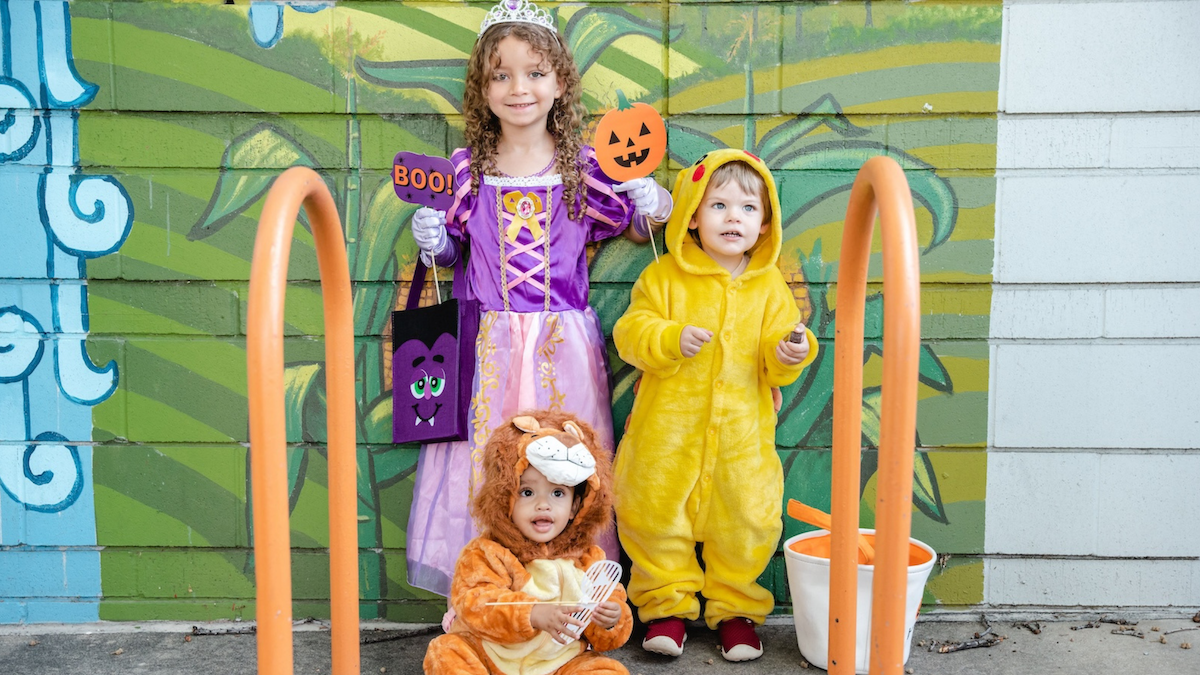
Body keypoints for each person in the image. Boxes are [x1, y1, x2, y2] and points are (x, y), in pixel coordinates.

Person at [405, 0, 672, 598]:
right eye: (500, 74)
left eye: (534, 73)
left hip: (562, 348)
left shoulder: (584, 167)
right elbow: (452, 253)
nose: (518, 88)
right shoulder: (467, 170)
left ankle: (567, 593)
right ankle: (486, 596)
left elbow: (635, 226)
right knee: (488, 462)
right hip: (488, 345)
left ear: (559, 84)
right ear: (482, 88)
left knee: (562, 461)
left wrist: (654, 203)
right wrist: (434, 244)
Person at [611, 149, 819, 662]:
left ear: (765, 221)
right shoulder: (663, 279)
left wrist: (792, 351)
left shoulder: (770, 288)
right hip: (666, 433)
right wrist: (669, 337)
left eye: (748, 209)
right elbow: (629, 334)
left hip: (741, 440)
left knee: (747, 520)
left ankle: (736, 610)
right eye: (718, 205)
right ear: (691, 217)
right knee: (655, 515)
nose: (733, 218)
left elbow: (779, 354)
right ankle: (664, 606)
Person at [423, 410, 634, 675]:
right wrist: (532, 613)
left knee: (607, 670)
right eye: (527, 492)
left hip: (559, 662)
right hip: (491, 658)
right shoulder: (487, 552)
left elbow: (608, 631)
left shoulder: (589, 559)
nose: (543, 504)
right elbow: (475, 602)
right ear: (505, 497)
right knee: (446, 652)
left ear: (575, 506)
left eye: (558, 493)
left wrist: (611, 620)